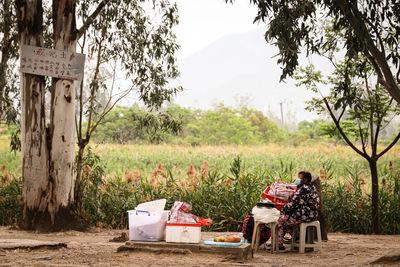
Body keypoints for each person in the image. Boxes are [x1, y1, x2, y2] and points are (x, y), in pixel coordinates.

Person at [276, 171, 319, 250]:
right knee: (287, 223)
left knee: (280, 220)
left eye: (300, 178)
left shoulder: (303, 189)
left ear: (305, 180)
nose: (297, 180)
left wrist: (282, 210)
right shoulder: (312, 187)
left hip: (303, 216)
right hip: (312, 215)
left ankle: (279, 245)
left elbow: (293, 204)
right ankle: (298, 239)